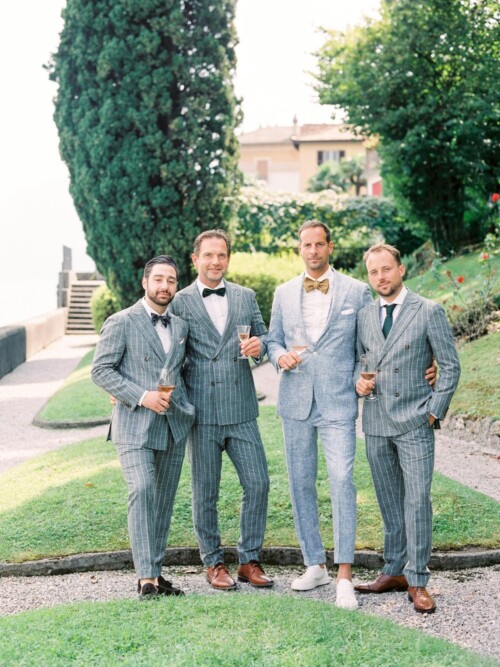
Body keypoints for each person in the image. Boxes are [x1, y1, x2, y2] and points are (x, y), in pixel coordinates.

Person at [267, 220, 373, 610]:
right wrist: (280, 355)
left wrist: (360, 377)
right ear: (300, 249)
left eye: (319, 244)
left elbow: (368, 345)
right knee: (300, 482)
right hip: (295, 400)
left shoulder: (356, 291)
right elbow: (272, 339)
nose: (312, 251)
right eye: (306, 245)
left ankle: (344, 575)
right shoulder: (282, 292)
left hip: (338, 401)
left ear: (330, 247)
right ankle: (314, 564)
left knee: (342, 479)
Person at [354, 243, 460, 613]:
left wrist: (433, 412)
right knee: (388, 501)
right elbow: (360, 361)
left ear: (401, 270)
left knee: (416, 501)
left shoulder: (428, 310)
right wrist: (359, 381)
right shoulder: (364, 314)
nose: (380, 277)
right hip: (376, 420)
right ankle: (394, 570)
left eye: (386, 269)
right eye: (373, 272)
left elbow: (450, 366)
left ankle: (417, 580)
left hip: (415, 421)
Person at [169, 229, 273, 590]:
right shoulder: (179, 302)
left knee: (259, 483)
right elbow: (164, 351)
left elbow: (265, 338)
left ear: (228, 258)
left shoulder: (246, 296)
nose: (216, 261)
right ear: (195, 259)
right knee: (205, 492)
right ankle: (213, 563)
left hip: (241, 408)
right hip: (201, 413)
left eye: (222, 255)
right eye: (209, 255)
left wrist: (259, 347)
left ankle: (249, 559)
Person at [91, 255, 194, 599]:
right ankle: (145, 578)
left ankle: (156, 573)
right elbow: (101, 370)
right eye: (159, 279)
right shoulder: (121, 321)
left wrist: (185, 406)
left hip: (173, 424)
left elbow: (182, 370)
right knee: (143, 489)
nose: (165, 286)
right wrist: (140, 396)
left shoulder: (180, 327)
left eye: (171, 281)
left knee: (163, 501)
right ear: (145, 282)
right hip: (134, 426)